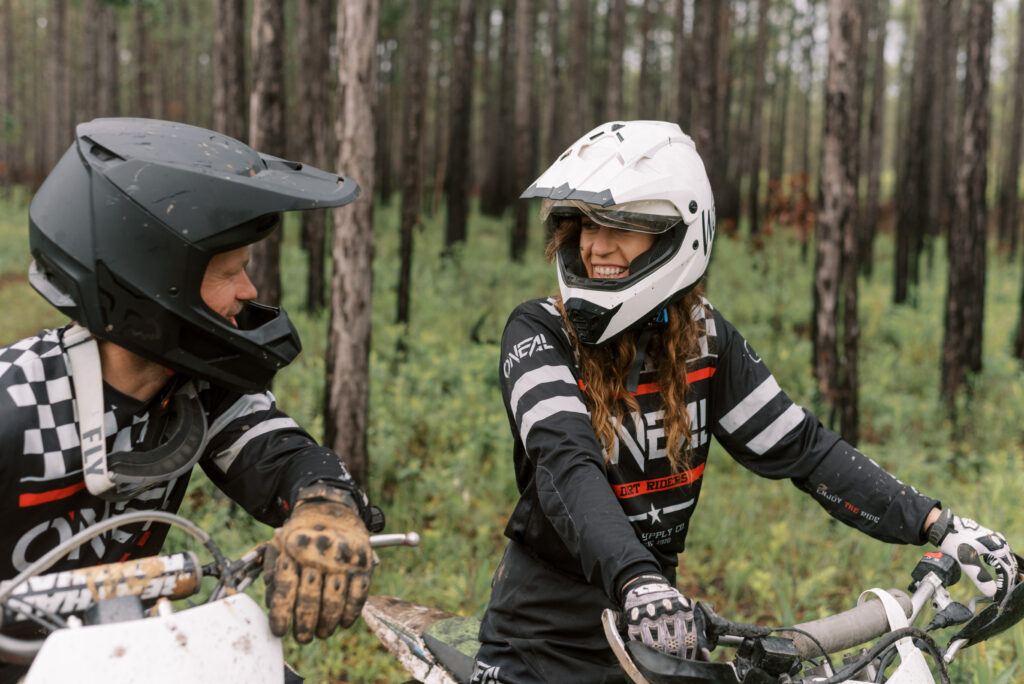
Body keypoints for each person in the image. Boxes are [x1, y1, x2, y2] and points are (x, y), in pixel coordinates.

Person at [471, 120, 1020, 684]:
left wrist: (938, 524)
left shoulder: (704, 337)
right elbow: (565, 462)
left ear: (675, 237)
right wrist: (640, 579)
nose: (595, 245)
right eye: (584, 222)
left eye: (624, 225)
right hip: (539, 636)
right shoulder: (539, 332)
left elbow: (802, 449)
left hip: (658, 634)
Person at [0, 118, 378, 676]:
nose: (248, 293)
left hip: (117, 650)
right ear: (148, 283)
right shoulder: (19, 404)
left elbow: (279, 456)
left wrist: (326, 508)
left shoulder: (197, 392)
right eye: (228, 272)